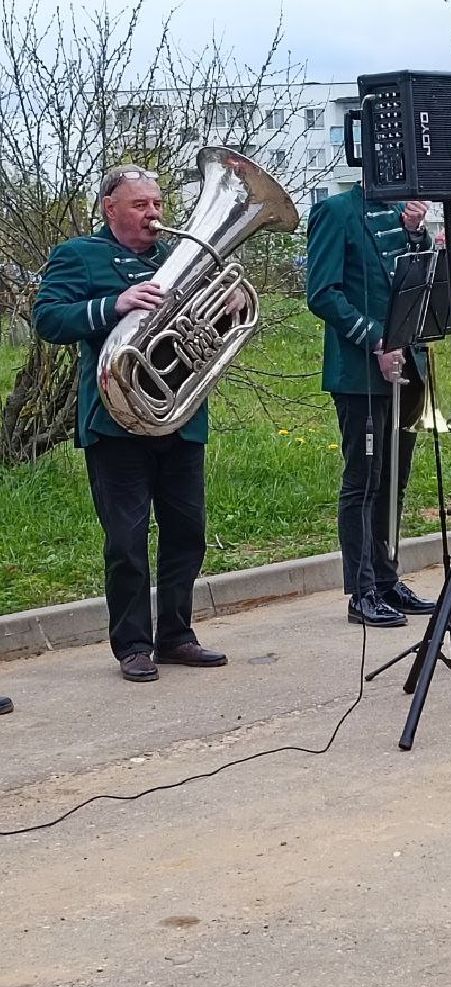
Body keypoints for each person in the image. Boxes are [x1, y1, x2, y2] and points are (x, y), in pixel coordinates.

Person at [34, 164, 230, 683]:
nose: (154, 214)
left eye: (159, 204)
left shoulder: (178, 256)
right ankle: (133, 646)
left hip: (178, 416)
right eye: (141, 205)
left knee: (188, 533)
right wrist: (112, 305)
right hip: (115, 422)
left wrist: (227, 310)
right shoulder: (80, 255)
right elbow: (49, 319)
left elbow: (205, 329)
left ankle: (177, 635)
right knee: (126, 540)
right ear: (110, 208)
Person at [307, 185, 437, 628]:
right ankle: (360, 591)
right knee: (363, 481)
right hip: (360, 370)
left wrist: (416, 235)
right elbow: (323, 294)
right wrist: (375, 339)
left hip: (407, 366)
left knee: (393, 481)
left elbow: (411, 280)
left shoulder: (403, 213)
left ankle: (386, 578)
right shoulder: (335, 211)